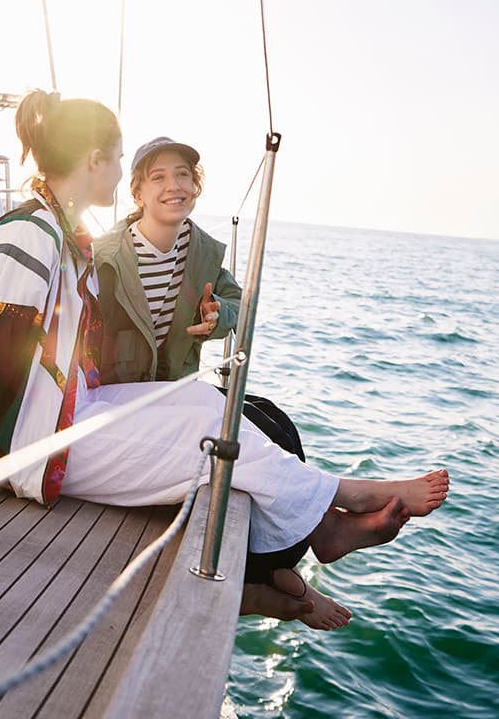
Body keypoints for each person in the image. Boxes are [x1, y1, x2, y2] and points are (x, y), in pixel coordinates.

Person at [0, 92, 450, 620]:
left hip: (66, 411)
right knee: (210, 436)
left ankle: (318, 526)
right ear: (97, 160)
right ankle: (331, 513)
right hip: (33, 441)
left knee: (197, 398)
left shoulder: (59, 235)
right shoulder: (30, 236)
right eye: (122, 158)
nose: (127, 174)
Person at [94, 136, 351, 628]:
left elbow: (237, 304)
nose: (175, 185)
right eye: (160, 177)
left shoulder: (203, 254)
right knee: (240, 437)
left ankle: (291, 559)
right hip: (127, 398)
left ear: (196, 187)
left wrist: (219, 317)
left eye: (185, 175)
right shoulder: (106, 256)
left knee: (274, 421)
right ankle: (283, 570)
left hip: (177, 392)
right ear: (139, 194)